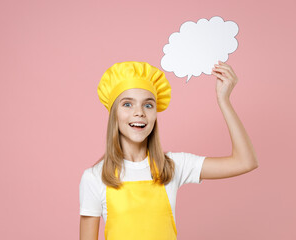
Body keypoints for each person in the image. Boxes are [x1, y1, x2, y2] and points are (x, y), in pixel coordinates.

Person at [79, 61, 258, 240]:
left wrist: (224, 100)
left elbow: (245, 161)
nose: (139, 112)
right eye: (127, 104)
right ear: (114, 114)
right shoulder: (95, 177)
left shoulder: (173, 166)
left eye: (148, 105)